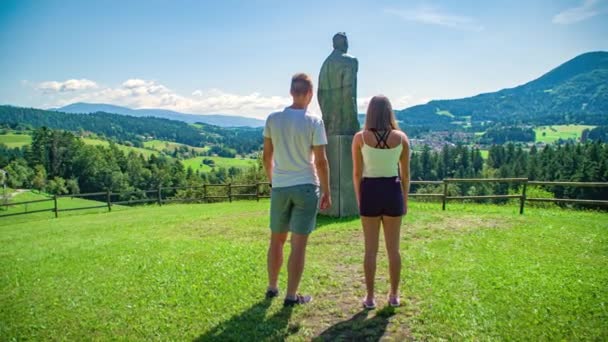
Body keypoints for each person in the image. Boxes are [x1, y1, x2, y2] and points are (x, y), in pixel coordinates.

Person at [263, 73, 331, 307]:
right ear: (310, 94)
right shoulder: (314, 122)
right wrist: (326, 190)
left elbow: (266, 157)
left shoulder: (273, 119)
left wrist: (274, 181)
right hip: (305, 185)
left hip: (280, 186)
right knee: (298, 244)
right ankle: (291, 296)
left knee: (276, 240)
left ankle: (272, 287)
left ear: (292, 92)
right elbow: (321, 161)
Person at [351, 95, 410, 309]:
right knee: (393, 250)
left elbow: (357, 174)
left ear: (370, 113)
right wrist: (404, 200)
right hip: (393, 191)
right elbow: (405, 175)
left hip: (370, 192)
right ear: (389, 112)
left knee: (370, 250)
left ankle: (369, 298)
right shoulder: (401, 138)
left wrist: (360, 199)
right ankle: (394, 295)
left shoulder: (360, 138)